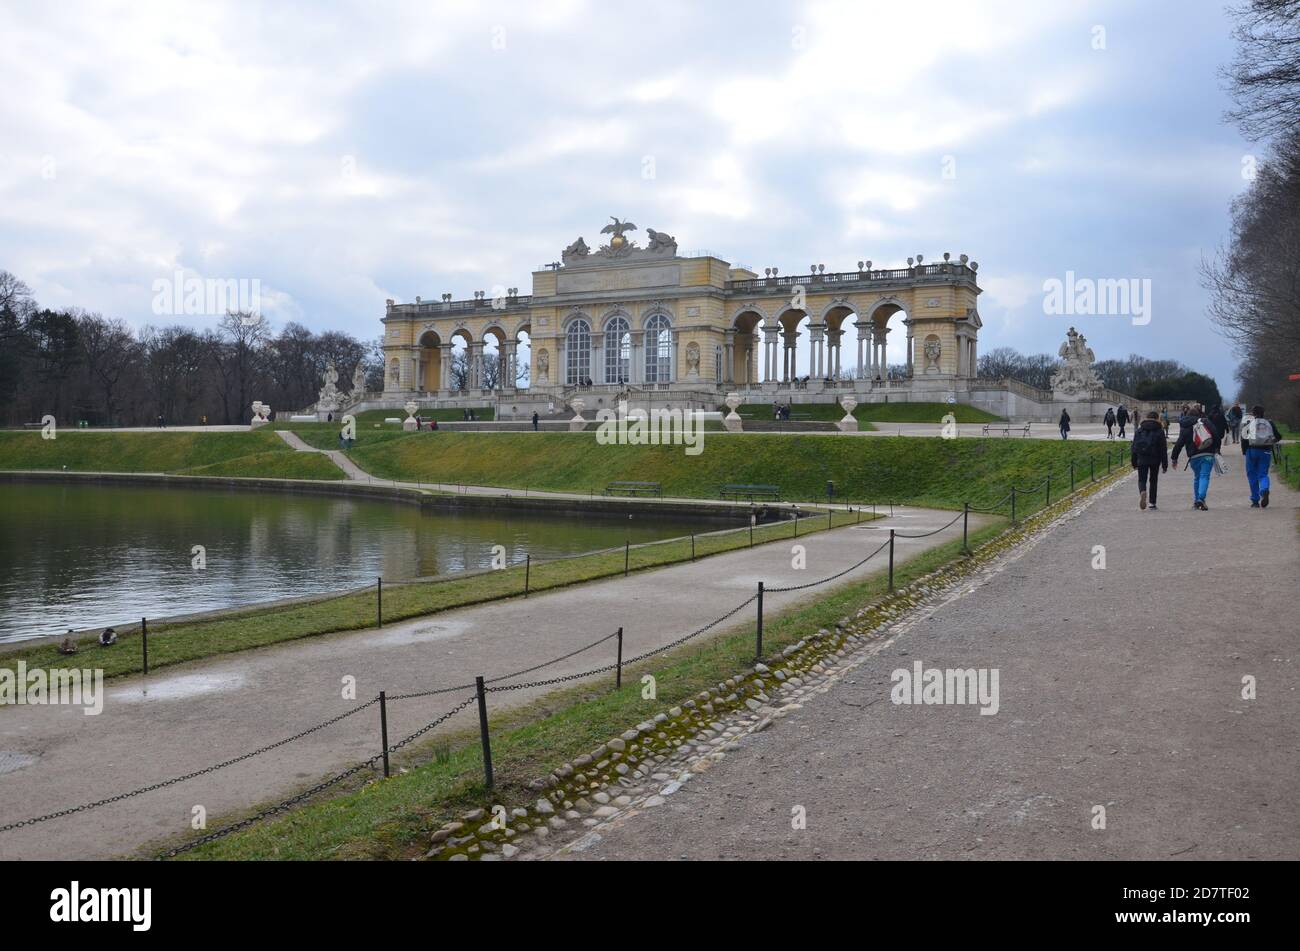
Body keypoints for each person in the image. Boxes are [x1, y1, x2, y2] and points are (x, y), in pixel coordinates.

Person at [1171, 403, 1220, 510]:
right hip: (1207, 453)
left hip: (1194, 456)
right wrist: (1216, 448)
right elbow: (1216, 434)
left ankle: (1196, 500)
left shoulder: (1185, 427)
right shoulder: (1205, 422)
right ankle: (1201, 499)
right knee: (1204, 476)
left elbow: (1179, 444)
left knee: (1197, 477)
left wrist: (1174, 458)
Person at [1241, 404, 1280, 508]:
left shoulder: (1249, 423)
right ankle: (1264, 489)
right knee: (1263, 474)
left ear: (1253, 413)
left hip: (1251, 450)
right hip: (1265, 451)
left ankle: (1255, 500)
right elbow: (1278, 436)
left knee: (1252, 475)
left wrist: (1245, 452)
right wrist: (1271, 442)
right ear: (1263, 413)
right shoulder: (1269, 423)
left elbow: (1243, 438)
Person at [1130, 411, 1168, 511]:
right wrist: (1165, 465)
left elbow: (1134, 448)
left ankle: (1142, 491)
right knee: (1153, 480)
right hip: (1155, 459)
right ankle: (1152, 503)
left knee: (1142, 479)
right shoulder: (1159, 431)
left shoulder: (1139, 430)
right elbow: (1163, 449)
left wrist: (1134, 462)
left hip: (1142, 458)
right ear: (1157, 418)